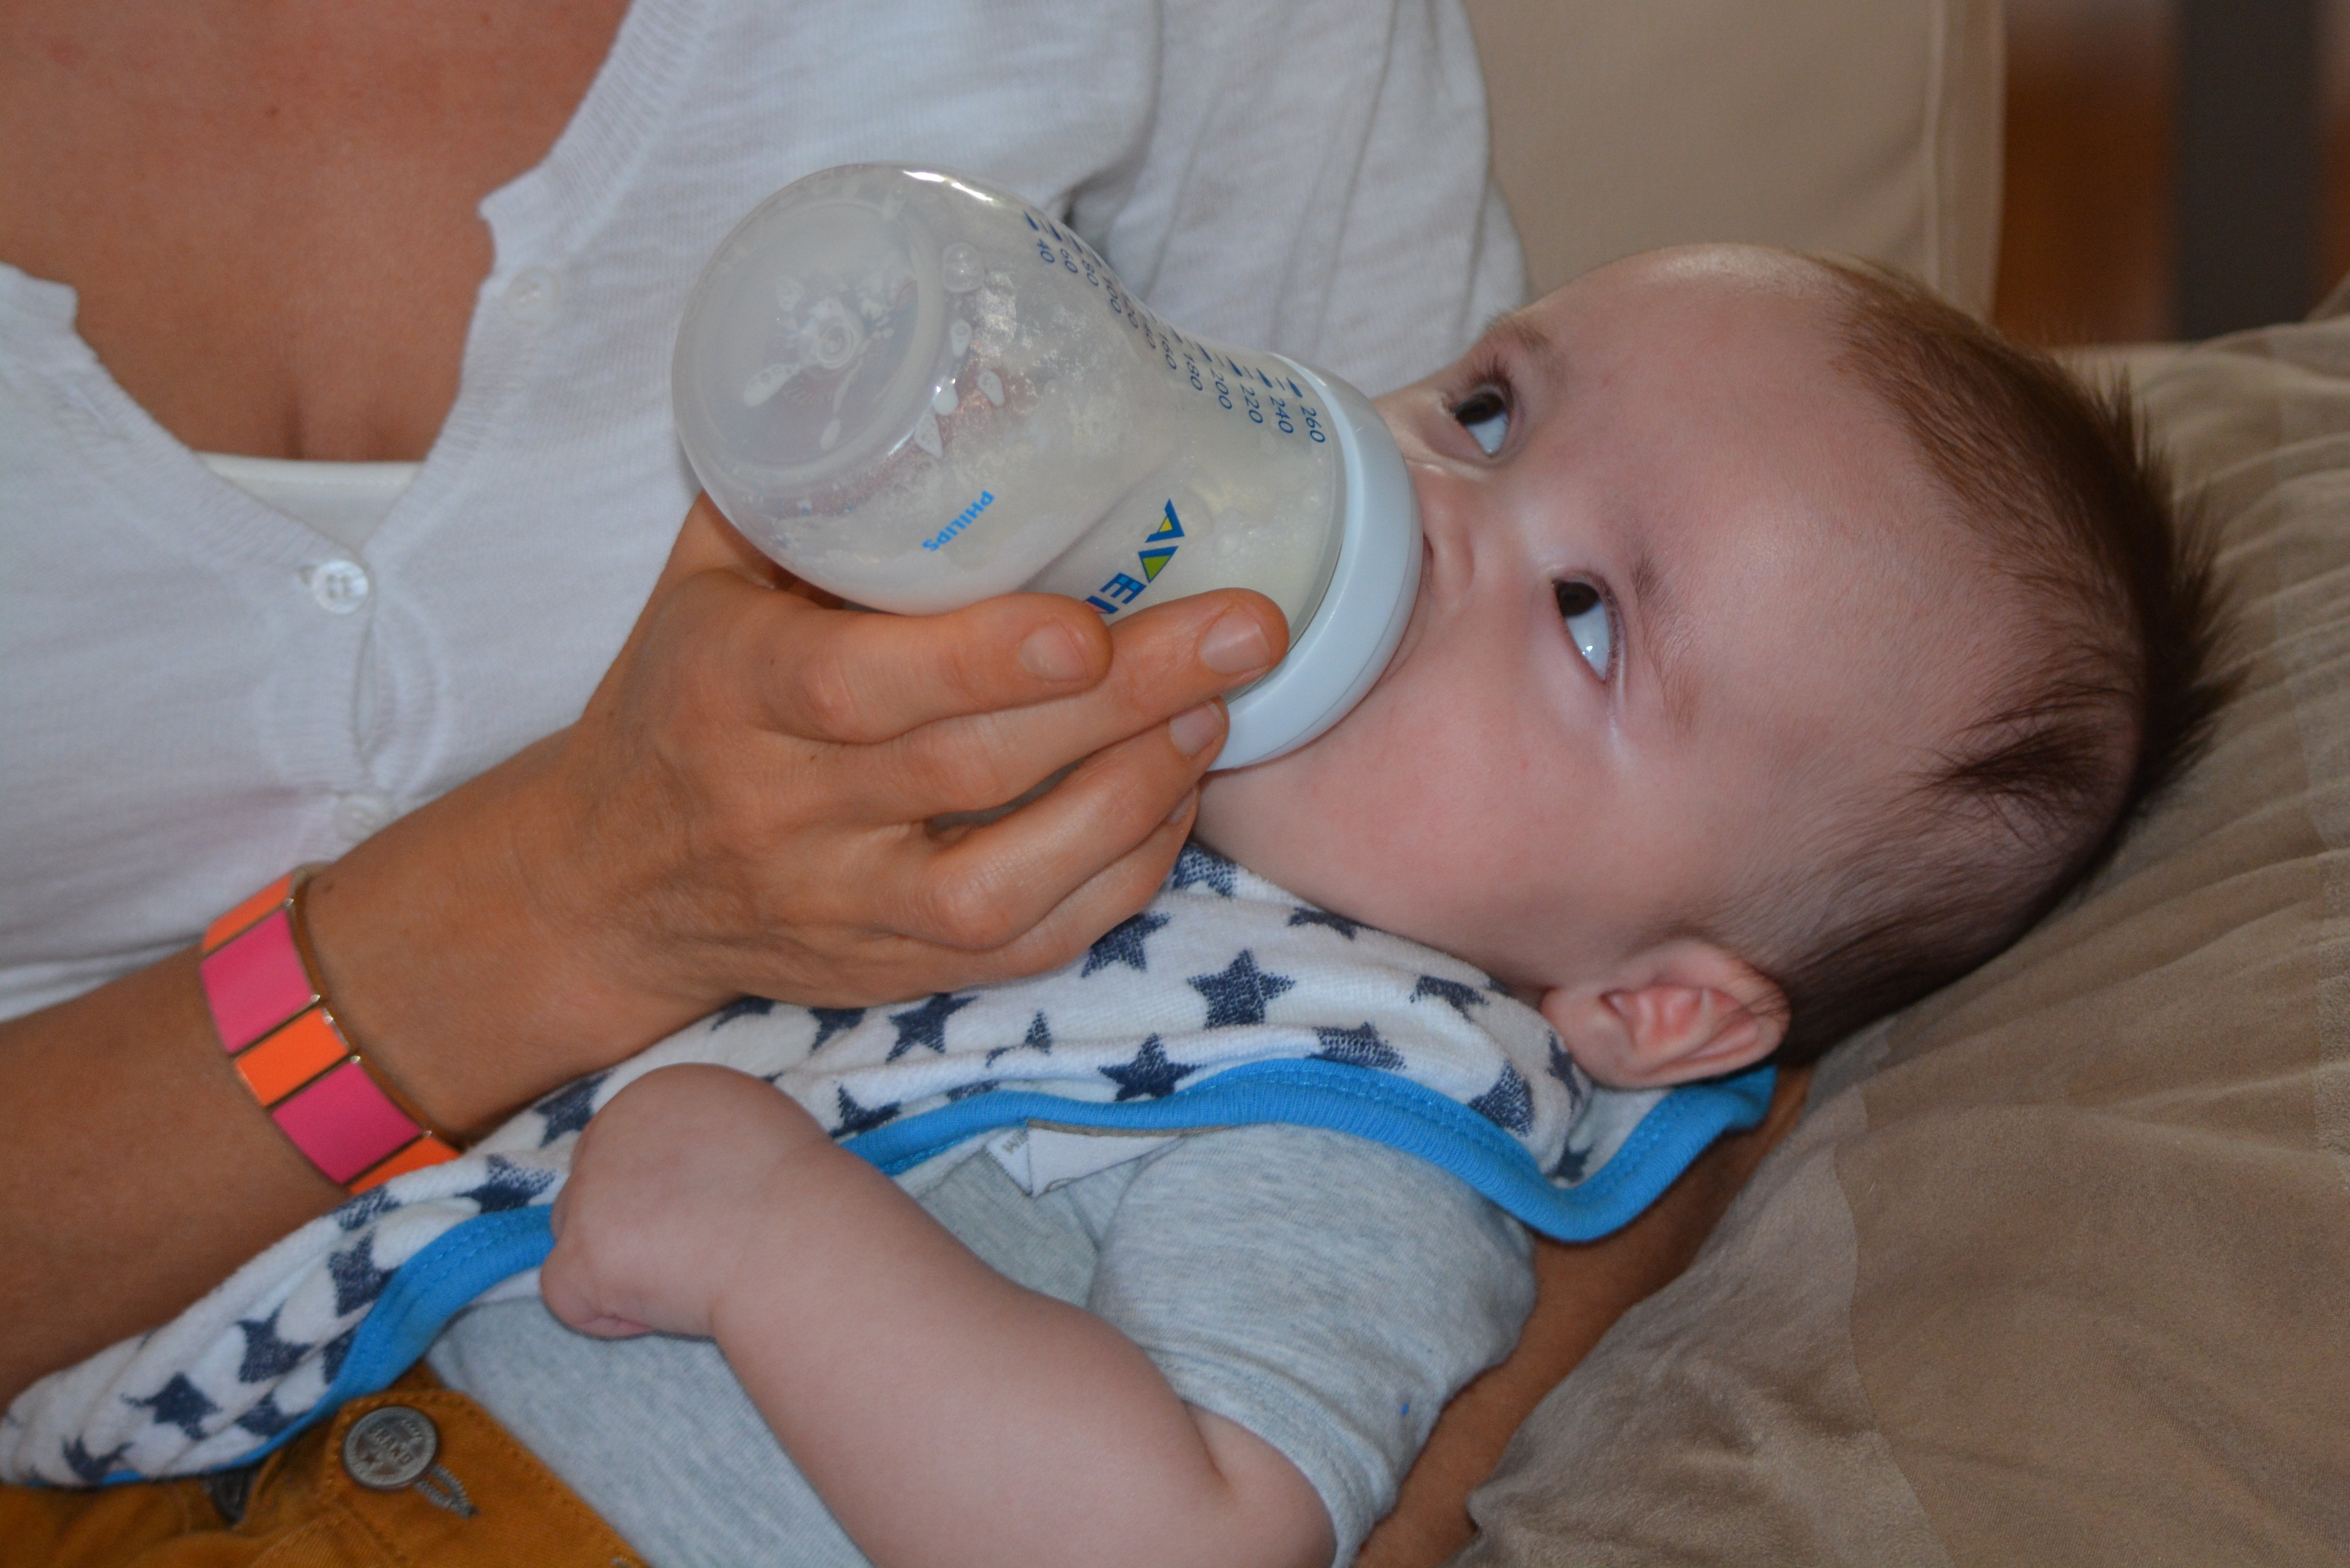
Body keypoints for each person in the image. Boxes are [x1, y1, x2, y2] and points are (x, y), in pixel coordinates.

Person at [19, 246, 2222, 1567]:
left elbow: (1186, 1535)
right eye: (1480, 403)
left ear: (1650, 1002)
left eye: (1582, 615)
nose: (1434, 510)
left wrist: (774, 1237)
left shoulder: (1352, 1109)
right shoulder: (1094, 773)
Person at [0, 0, 1521, 1431]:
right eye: (1493, 415)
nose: (1474, 514)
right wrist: (565, 908)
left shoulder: (1395, 1081)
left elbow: (1655, 859)